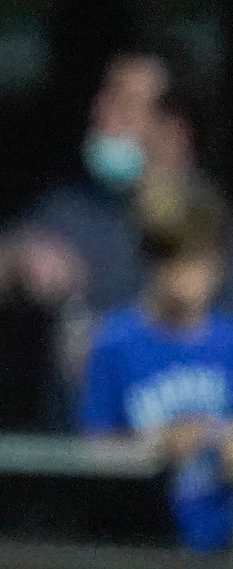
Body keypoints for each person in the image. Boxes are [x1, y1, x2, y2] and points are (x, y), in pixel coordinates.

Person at [0, 46, 202, 334]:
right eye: (104, 96)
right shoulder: (75, 204)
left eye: (123, 104)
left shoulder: (212, 224)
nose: (100, 112)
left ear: (174, 133)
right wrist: (14, 256)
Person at [78, 183, 233, 548]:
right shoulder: (114, 343)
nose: (185, 275)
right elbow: (91, 452)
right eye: (173, 259)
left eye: (196, 259)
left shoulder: (229, 342)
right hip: (143, 543)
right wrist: (159, 447)